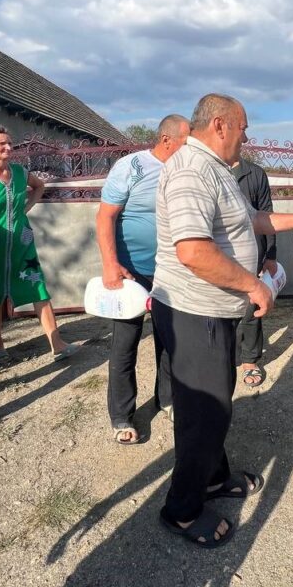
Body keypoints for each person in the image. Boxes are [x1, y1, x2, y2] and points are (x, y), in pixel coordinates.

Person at [151, 93, 293, 548]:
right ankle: (181, 510)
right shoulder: (193, 171)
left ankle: (213, 478)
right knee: (204, 413)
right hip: (195, 312)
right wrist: (253, 286)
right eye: (244, 127)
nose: (247, 136)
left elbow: (250, 221)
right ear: (220, 124)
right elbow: (193, 251)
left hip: (211, 310)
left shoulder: (215, 170)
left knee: (213, 404)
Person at [96, 114, 190, 444]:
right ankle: (122, 415)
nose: (190, 147)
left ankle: (167, 399)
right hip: (131, 271)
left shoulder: (186, 169)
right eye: (186, 141)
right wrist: (110, 263)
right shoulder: (131, 167)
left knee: (171, 340)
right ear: (167, 140)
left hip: (172, 271)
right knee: (125, 344)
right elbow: (105, 216)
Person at [0, 126, 80, 364]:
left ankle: (56, 343)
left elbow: (40, 187)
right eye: (2, 143)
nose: (8, 147)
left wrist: (23, 210)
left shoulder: (19, 172)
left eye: (10, 143)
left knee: (38, 289)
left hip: (21, 243)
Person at [230, 156, 277, 387]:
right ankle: (223, 355)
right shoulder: (209, 169)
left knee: (251, 309)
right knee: (220, 309)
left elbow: (267, 213)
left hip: (252, 252)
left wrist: (271, 255)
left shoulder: (255, 173)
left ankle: (250, 359)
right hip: (220, 252)